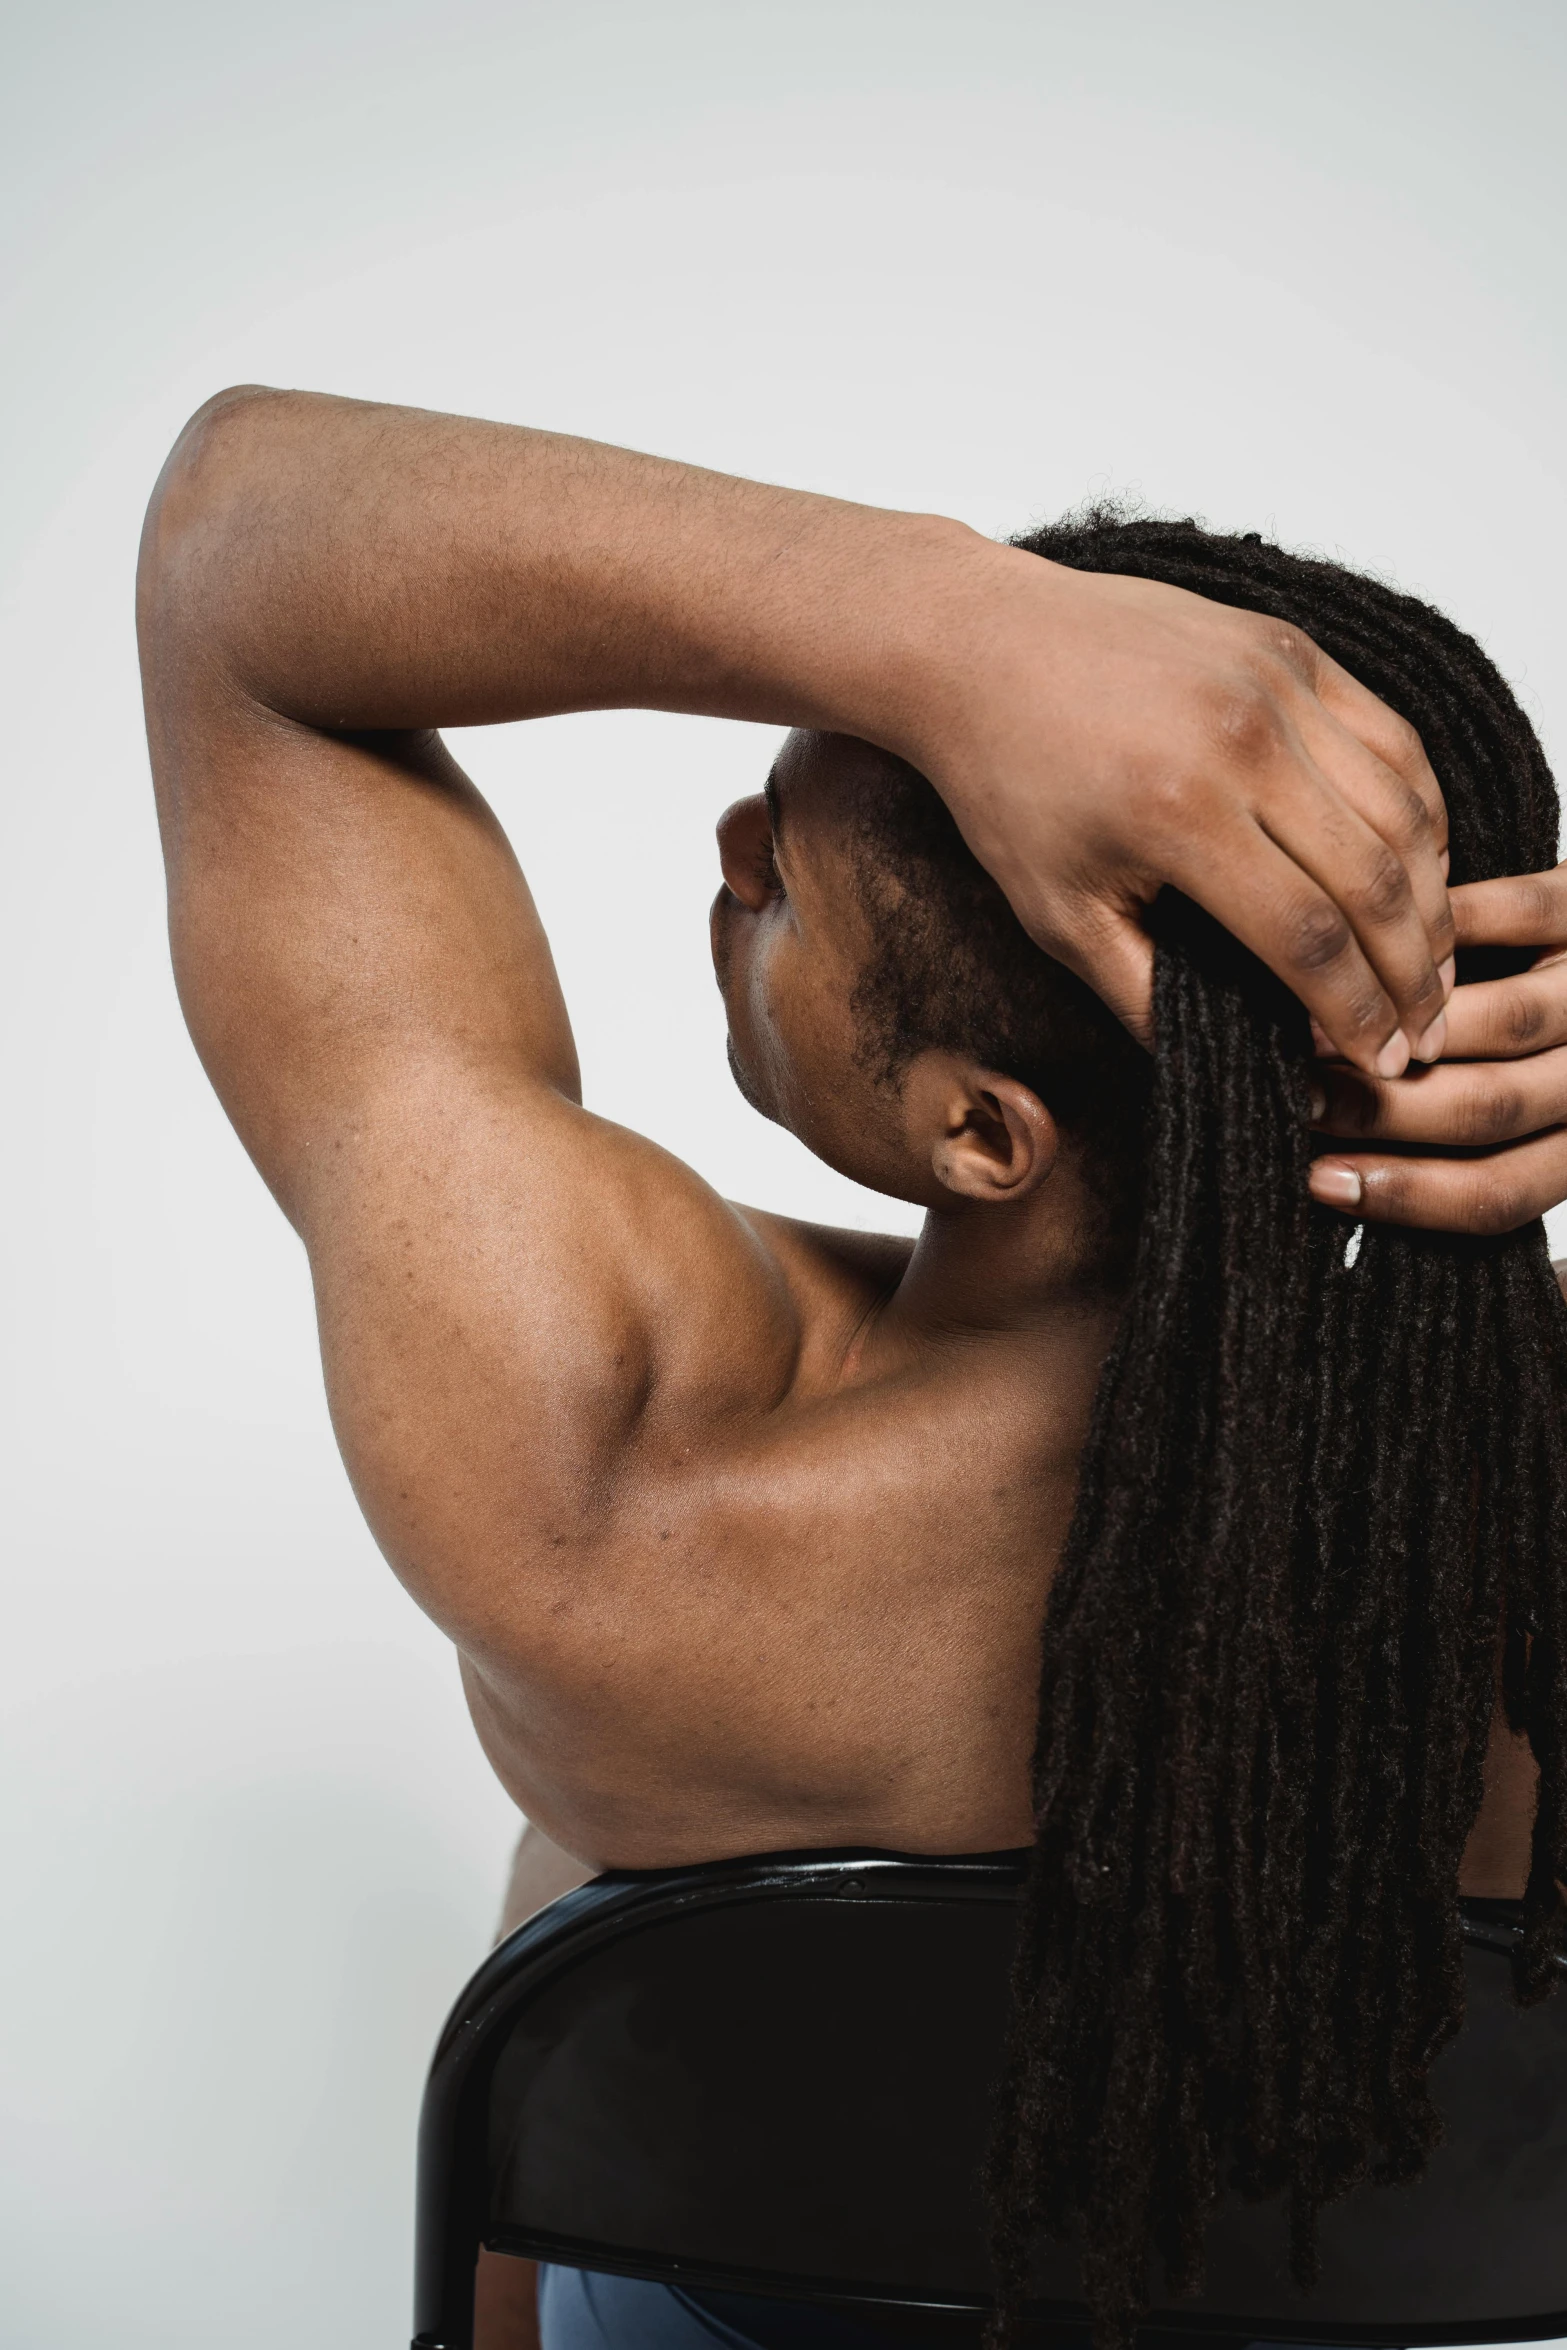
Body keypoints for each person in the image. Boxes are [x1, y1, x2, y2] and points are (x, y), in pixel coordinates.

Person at [138, 391, 1567, 2350]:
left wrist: (942, 626)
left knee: (569, 1866)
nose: (733, 840)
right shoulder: (1518, 1531)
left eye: (788, 878)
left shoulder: (625, 1477)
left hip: (719, 2277)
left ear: (985, 1133)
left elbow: (238, 555)